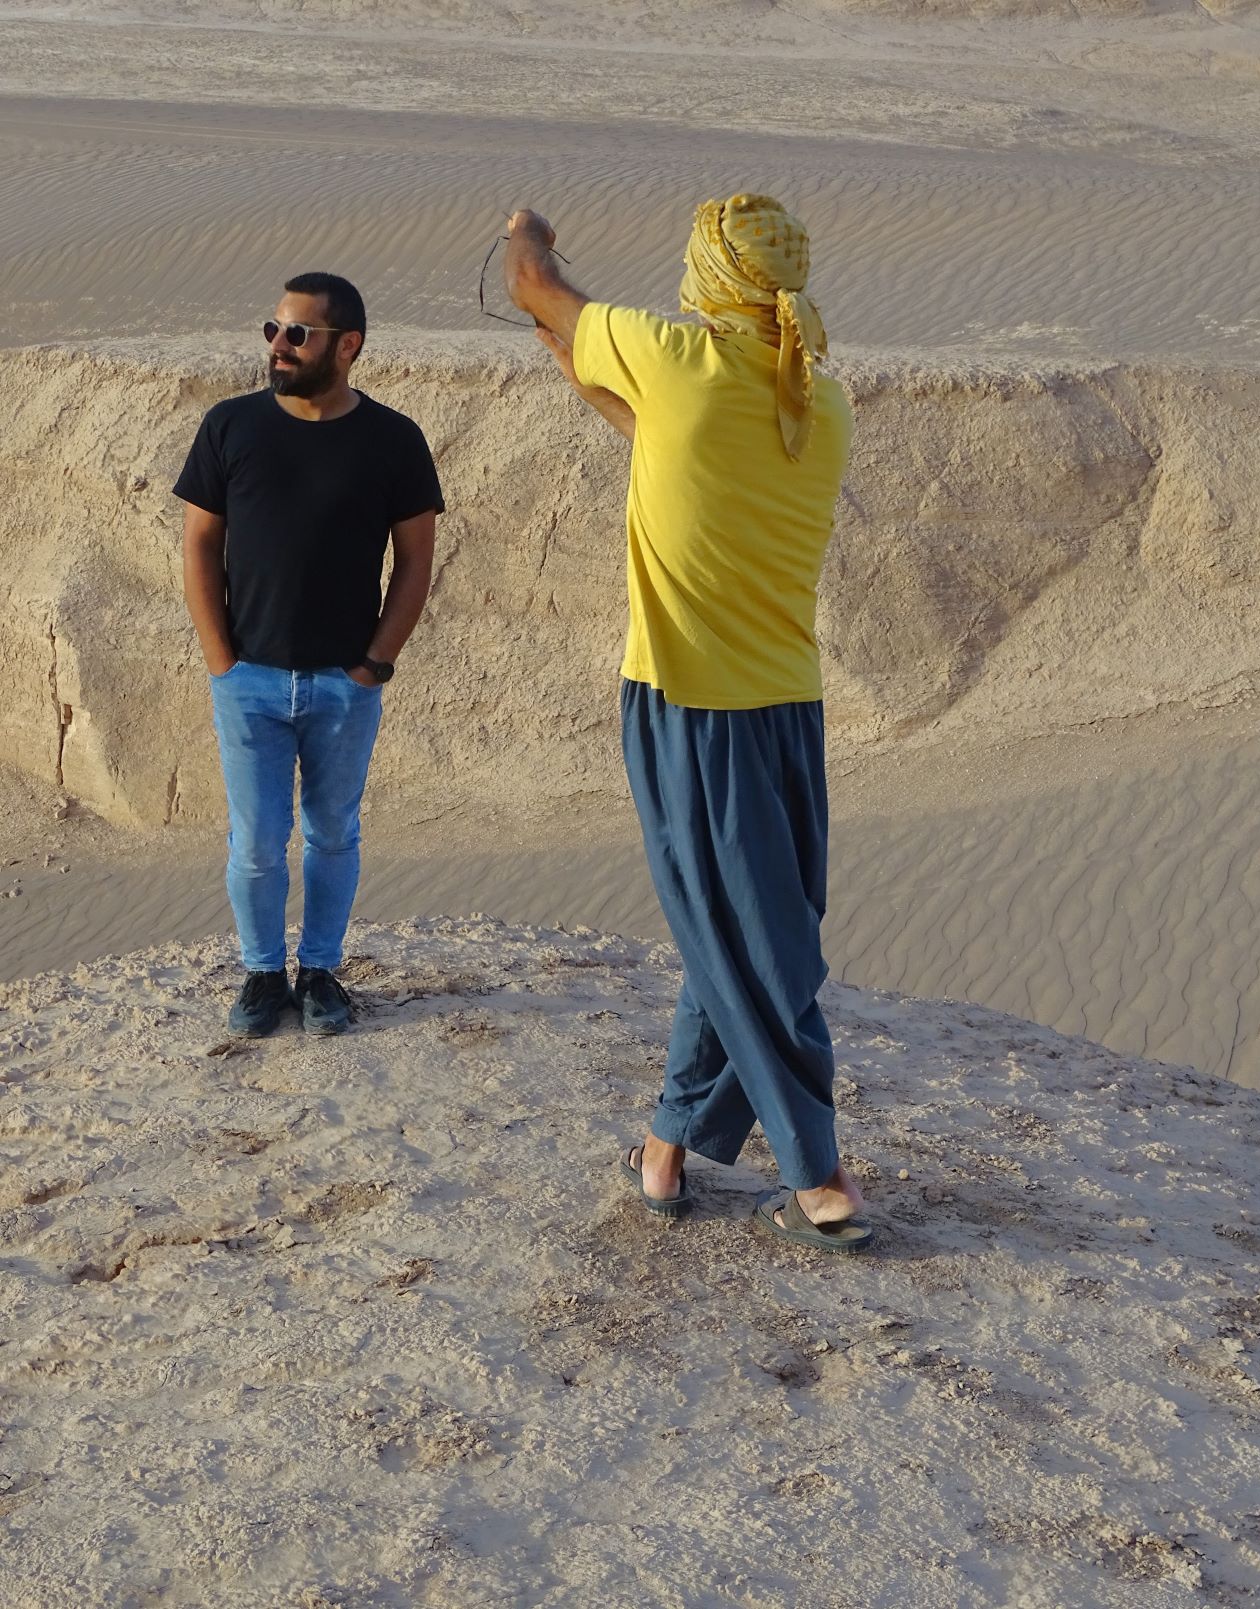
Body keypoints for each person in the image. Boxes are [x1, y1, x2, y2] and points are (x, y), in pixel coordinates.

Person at [504, 195, 871, 1254]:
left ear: (707, 278)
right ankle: (669, 1148)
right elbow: (651, 433)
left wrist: (528, 225)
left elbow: (533, 281)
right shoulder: (820, 402)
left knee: (745, 938)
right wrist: (578, 364)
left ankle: (815, 1173)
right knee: (748, 927)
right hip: (786, 705)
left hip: (687, 703)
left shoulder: (673, 360)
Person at [175, 272, 443, 1038]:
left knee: (332, 833)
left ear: (347, 345)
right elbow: (199, 543)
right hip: (249, 679)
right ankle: (263, 974)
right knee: (256, 841)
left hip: (343, 684)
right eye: (273, 329)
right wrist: (221, 658)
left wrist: (374, 664)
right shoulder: (230, 427)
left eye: (298, 333)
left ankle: (320, 971)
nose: (278, 346)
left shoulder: (394, 439)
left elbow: (416, 561)